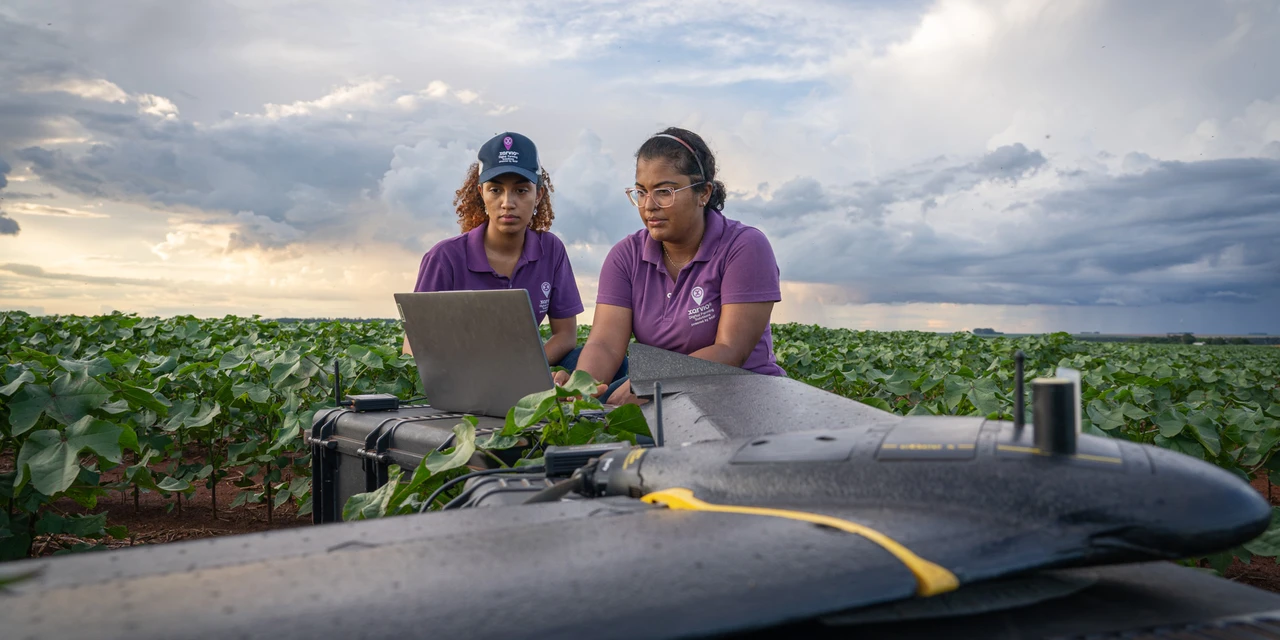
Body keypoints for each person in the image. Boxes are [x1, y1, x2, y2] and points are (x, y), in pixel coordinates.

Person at [554, 127, 784, 405]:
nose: (649, 205)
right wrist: (582, 388)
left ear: (704, 193)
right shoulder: (626, 256)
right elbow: (605, 344)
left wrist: (651, 384)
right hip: (663, 400)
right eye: (641, 192)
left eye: (664, 191)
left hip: (740, 396)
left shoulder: (744, 247)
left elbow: (730, 351)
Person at [404, 131, 584, 367]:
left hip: (526, 370)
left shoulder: (551, 250)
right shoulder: (444, 257)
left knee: (588, 359)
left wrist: (522, 369)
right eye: (495, 190)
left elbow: (566, 335)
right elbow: (413, 345)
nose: (507, 203)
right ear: (481, 193)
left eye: (521, 190)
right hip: (460, 373)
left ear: (538, 194)